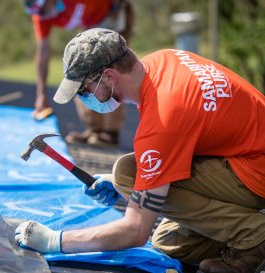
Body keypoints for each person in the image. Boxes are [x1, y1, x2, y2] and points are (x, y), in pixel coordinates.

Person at [15, 28, 265, 273]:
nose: (84, 98)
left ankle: (255, 238)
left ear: (109, 77)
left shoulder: (162, 119)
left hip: (255, 169)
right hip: (247, 155)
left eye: (83, 89)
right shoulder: (165, 59)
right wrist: (122, 186)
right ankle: (239, 239)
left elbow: (135, 231)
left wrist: (54, 241)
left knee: (129, 173)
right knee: (169, 243)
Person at [24, 0, 134, 146]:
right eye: (38, 13)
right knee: (78, 70)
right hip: (92, 25)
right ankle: (95, 128)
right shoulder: (41, 16)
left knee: (109, 69)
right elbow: (43, 53)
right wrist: (41, 95)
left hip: (114, 13)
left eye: (44, 10)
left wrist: (116, 4)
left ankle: (111, 132)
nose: (43, 16)